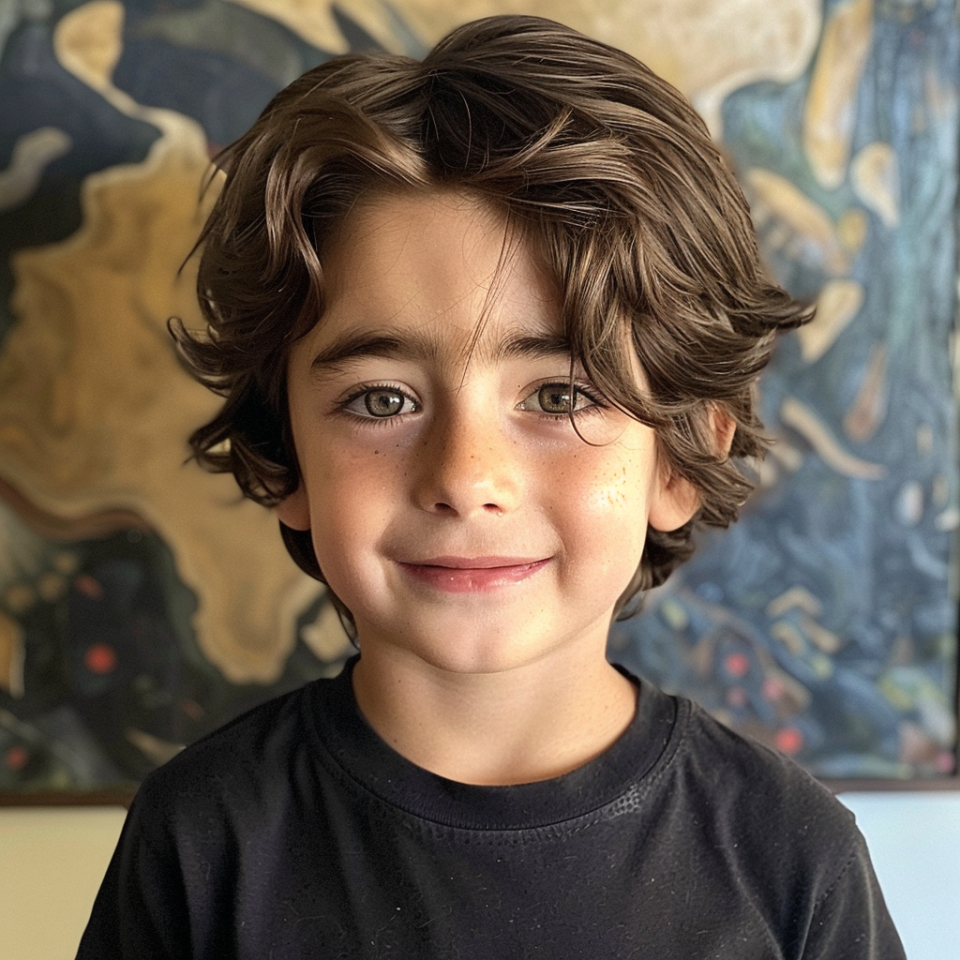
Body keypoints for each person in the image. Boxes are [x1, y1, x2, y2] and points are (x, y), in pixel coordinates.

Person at [77, 15, 904, 959]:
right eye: (381, 398)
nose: (466, 479)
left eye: (559, 394)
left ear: (676, 458)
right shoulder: (200, 840)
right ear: (283, 458)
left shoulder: (791, 855)